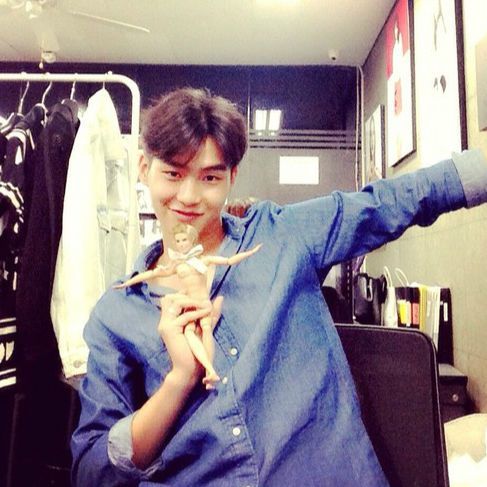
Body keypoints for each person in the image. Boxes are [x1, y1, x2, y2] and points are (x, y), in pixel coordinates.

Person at [71, 87, 487, 486]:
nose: (189, 195)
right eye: (173, 173)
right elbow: (92, 471)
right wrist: (180, 380)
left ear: (232, 177)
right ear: (144, 169)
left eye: (210, 177)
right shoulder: (117, 313)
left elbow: (387, 203)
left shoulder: (283, 235)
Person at [114, 222, 261, 388]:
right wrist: (127, 283)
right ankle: (209, 369)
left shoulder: (202, 261)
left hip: (202, 303)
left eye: (184, 240)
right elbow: (151, 274)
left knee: (206, 330)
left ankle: (210, 371)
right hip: (189, 306)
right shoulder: (177, 265)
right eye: (178, 241)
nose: (181, 244)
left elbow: (229, 260)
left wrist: (251, 252)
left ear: (191, 240)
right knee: (190, 334)